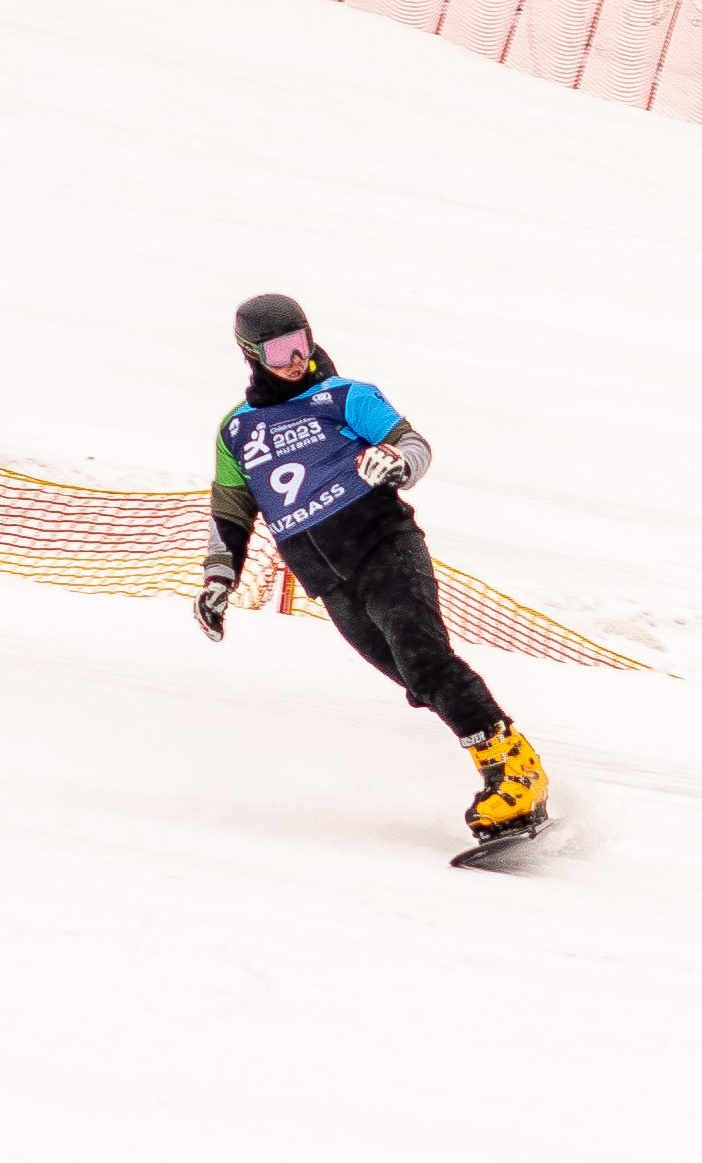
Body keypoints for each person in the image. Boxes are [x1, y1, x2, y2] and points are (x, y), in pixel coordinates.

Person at [196, 290, 549, 843]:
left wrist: (398, 463)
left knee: (425, 658)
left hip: (382, 545)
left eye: (301, 344)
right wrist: (219, 577)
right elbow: (231, 508)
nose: (294, 359)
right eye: (279, 351)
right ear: (251, 356)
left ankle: (515, 774)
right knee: (415, 678)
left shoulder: (345, 396)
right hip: (328, 583)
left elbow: (412, 444)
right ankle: (508, 765)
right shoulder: (236, 430)